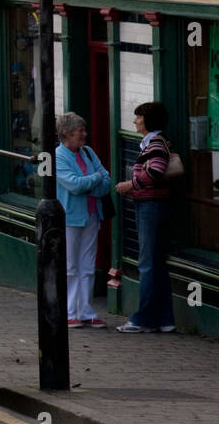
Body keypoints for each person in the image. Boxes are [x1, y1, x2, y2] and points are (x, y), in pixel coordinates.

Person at [115, 101, 177, 333]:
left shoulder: (155, 143)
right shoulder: (154, 143)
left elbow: (156, 171)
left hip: (151, 207)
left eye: (138, 117)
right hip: (154, 206)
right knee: (157, 263)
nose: (134, 121)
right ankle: (165, 319)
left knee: (148, 263)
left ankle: (144, 319)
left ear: (148, 120)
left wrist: (130, 184)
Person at [55, 113, 111, 329]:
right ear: (67, 133)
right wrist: (95, 178)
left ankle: (86, 311)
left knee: (88, 265)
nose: (84, 135)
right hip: (70, 217)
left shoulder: (87, 152)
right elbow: (75, 185)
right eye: (81, 131)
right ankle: (70, 312)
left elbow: (107, 181)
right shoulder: (58, 156)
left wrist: (94, 181)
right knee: (70, 265)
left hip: (92, 214)